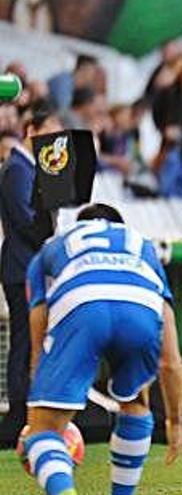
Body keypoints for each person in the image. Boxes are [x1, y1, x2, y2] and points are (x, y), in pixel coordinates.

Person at [21, 203, 182, 495]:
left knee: (43, 432)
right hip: (141, 306)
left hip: (81, 302)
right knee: (135, 404)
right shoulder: (144, 246)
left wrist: (39, 394)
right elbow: (170, 361)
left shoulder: (52, 247)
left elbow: (39, 319)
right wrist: (175, 421)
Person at [0, 100, 60, 446]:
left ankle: (24, 413)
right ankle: (18, 416)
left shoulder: (27, 169)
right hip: (21, 267)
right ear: (31, 132)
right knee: (23, 341)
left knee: (28, 340)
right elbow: (26, 221)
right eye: (48, 134)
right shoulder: (18, 170)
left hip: (26, 266)